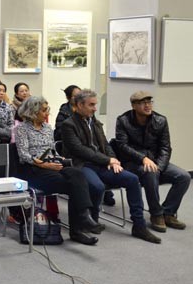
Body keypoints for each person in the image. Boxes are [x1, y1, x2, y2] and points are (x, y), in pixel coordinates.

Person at [60, 89, 160, 244]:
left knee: (132, 179)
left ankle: (139, 226)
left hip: (101, 164)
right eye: (91, 105)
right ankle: (90, 220)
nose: (95, 108)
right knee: (97, 186)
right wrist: (108, 160)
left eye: (95, 104)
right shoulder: (68, 125)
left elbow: (106, 144)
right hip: (82, 165)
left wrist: (114, 159)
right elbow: (80, 150)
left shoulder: (95, 122)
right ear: (79, 105)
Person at [15, 96, 102, 245]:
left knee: (77, 174)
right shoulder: (22, 129)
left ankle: (84, 216)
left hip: (52, 165)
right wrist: (44, 164)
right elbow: (24, 155)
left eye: (47, 109)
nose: (47, 113)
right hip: (34, 169)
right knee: (75, 186)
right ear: (33, 112)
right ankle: (78, 228)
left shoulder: (47, 128)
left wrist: (59, 158)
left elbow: (51, 150)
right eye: (44, 110)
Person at [114, 91, 190, 232]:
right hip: (133, 162)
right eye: (143, 103)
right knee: (150, 173)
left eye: (149, 102)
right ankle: (156, 214)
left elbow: (165, 147)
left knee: (183, 177)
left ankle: (168, 212)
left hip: (156, 161)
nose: (148, 105)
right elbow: (122, 146)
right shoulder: (123, 120)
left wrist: (159, 167)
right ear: (134, 106)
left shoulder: (160, 120)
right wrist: (143, 158)